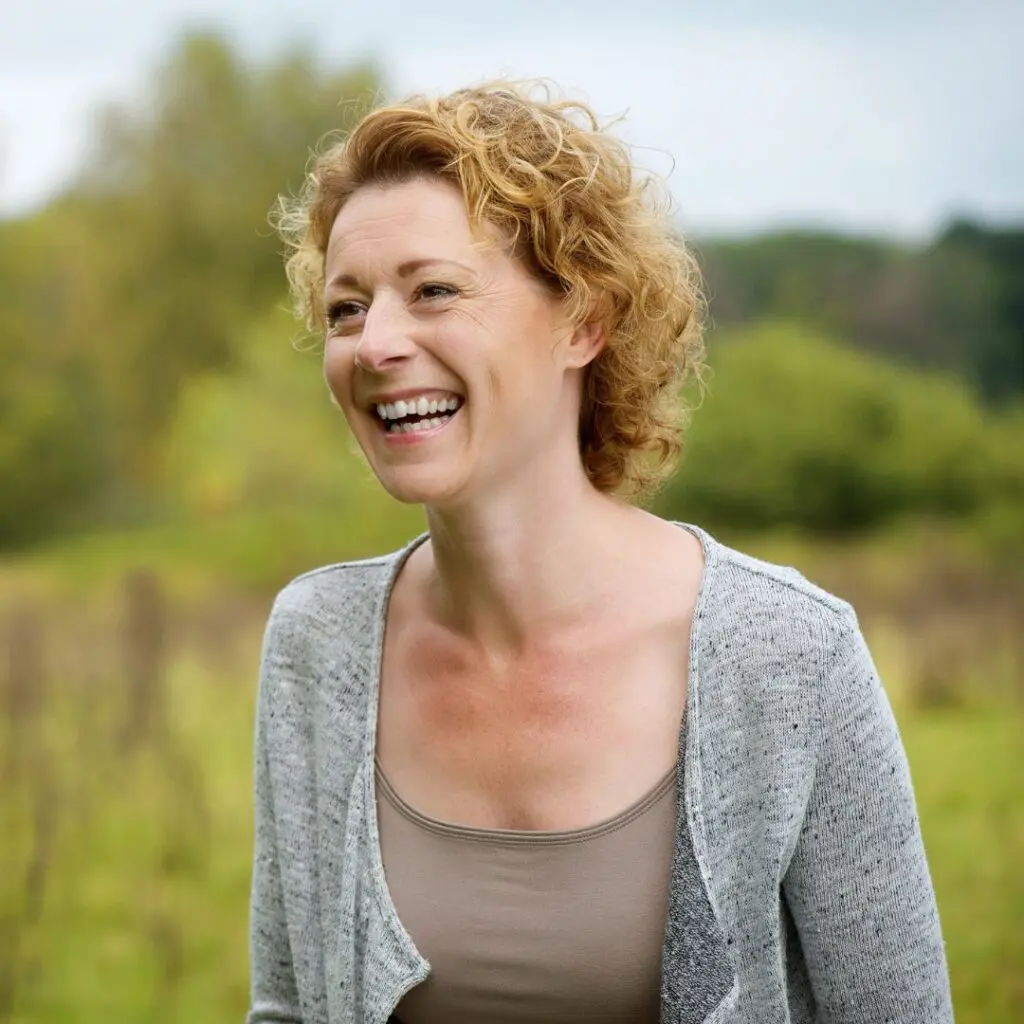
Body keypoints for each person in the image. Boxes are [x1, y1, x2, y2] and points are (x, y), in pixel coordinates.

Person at [248, 83, 953, 1024]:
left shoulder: (791, 657)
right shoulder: (318, 644)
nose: (375, 344)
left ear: (584, 320)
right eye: (345, 309)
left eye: (435, 291)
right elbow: (289, 1009)